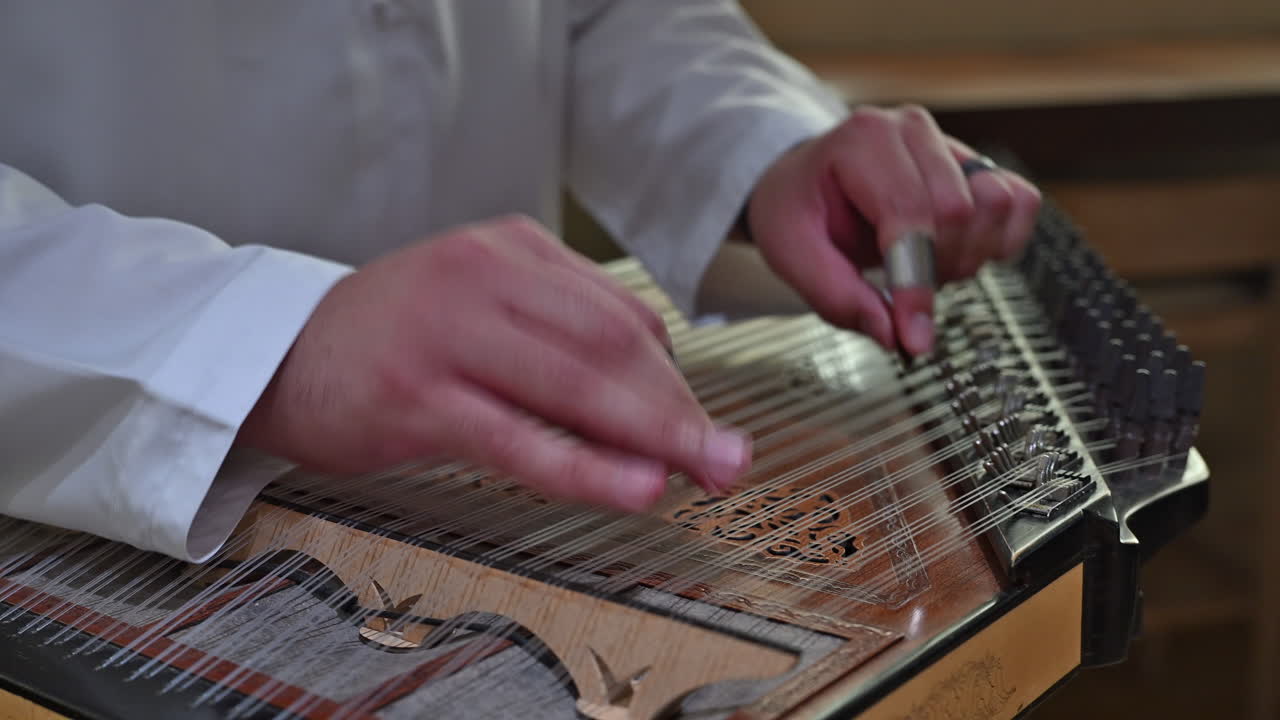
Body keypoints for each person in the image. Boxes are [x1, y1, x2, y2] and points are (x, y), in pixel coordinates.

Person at [0, 1, 1040, 563]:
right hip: (95, 532)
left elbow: (595, 14)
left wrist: (763, 149)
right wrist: (265, 345)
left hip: (503, 523)